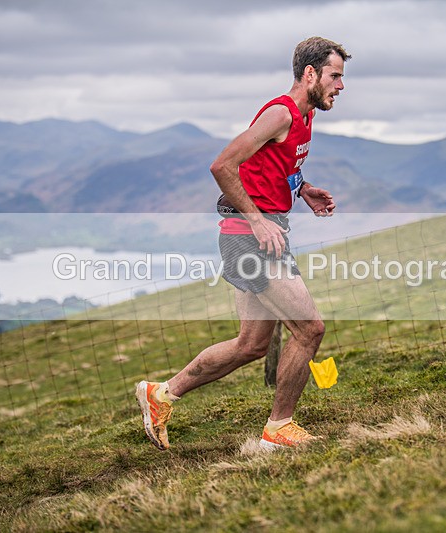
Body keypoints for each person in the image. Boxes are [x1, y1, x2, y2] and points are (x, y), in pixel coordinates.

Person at [136, 36, 351, 451]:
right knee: (310, 330)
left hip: (263, 236)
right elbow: (222, 165)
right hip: (249, 240)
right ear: (310, 74)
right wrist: (257, 220)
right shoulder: (280, 113)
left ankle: (160, 395)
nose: (341, 86)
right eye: (335, 76)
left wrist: (302, 188)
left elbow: (272, 165)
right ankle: (279, 427)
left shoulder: (305, 117)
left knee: (251, 344)